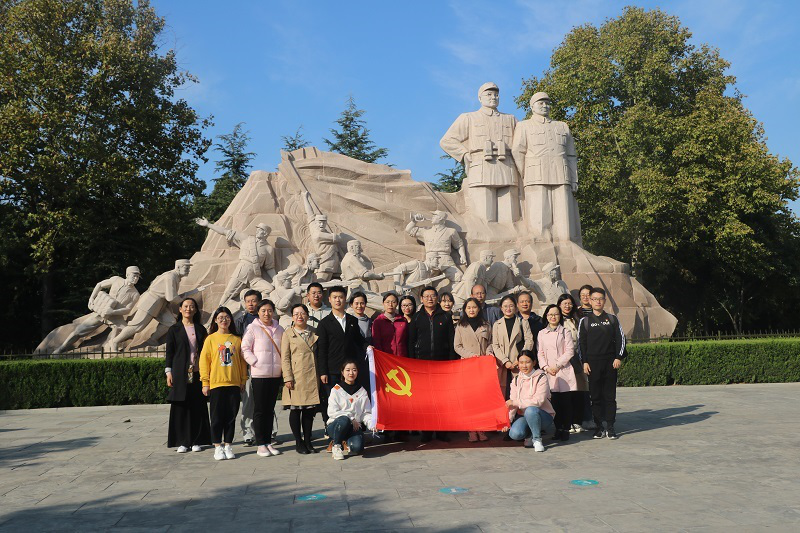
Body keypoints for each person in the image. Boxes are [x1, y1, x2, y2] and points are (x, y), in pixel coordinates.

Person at [440, 82, 520, 223]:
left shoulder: (510, 119)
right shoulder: (469, 118)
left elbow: (522, 144)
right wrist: (464, 154)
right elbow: (447, 140)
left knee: (509, 218)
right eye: (489, 94)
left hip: (507, 167)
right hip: (481, 167)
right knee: (484, 218)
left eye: (496, 95)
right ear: (479, 98)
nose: (493, 97)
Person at [511, 91, 581, 243]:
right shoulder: (524, 125)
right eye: (540, 103)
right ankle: (542, 245)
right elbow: (518, 150)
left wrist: (574, 179)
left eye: (547, 103)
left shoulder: (562, 126)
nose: (544, 106)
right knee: (540, 213)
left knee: (563, 214)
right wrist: (524, 174)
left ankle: (566, 244)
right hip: (536, 174)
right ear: (532, 106)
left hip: (561, 174)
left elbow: (571, 155)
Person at [316, 286, 364, 449]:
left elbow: (358, 341)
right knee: (333, 404)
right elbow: (321, 350)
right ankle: (334, 437)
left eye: (341, 297)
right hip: (332, 371)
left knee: (350, 403)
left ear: (345, 299)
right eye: (335, 297)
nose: (338, 300)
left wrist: (369, 347)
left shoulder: (352, 320)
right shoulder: (324, 323)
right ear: (329, 300)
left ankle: (349, 434)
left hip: (349, 371)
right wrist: (323, 371)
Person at [54, 266, 141, 354]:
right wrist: (91, 298)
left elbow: (128, 309)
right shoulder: (116, 279)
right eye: (134, 275)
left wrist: (113, 312)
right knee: (78, 331)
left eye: (137, 276)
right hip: (101, 312)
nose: (136, 278)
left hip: (115, 317)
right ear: (127, 275)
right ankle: (60, 349)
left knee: (126, 331)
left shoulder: (135, 294)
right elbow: (99, 285)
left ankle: (110, 348)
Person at [408, 286, 456, 442]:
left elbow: (451, 341)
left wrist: (451, 362)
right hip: (422, 365)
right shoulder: (416, 318)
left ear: (437, 298)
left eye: (433, 296)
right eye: (426, 296)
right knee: (426, 400)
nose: (430, 298)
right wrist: (412, 363)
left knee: (442, 399)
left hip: (442, 365)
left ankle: (442, 431)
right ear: (421, 299)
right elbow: (411, 342)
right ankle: (427, 431)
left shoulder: (445, 317)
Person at [199, 307, 247, 461]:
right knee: (217, 417)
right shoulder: (210, 339)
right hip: (216, 384)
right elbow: (204, 362)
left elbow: (242, 362)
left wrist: (243, 380)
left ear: (231, 320)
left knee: (231, 416)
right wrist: (205, 382)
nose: (224, 320)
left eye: (227, 317)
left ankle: (228, 445)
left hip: (233, 383)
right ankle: (217, 446)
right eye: (220, 317)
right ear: (215, 320)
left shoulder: (237, 339)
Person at [578, 288, 626, 440]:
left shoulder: (612, 319)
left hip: (610, 363)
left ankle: (610, 427)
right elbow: (581, 343)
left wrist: (618, 357)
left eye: (601, 299)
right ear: (590, 301)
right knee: (596, 397)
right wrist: (584, 362)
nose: (598, 301)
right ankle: (599, 427)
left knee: (610, 397)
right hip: (592, 364)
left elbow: (621, 339)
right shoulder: (585, 321)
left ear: (604, 301)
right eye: (595, 299)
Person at [195, 218, 277, 307]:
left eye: (260, 230)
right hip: (242, 271)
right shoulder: (246, 239)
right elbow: (225, 231)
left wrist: (275, 280)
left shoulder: (268, 249)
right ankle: (219, 310)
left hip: (255, 276)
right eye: (257, 229)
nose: (257, 231)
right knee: (228, 293)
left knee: (269, 288)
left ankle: (256, 308)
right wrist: (208, 225)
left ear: (265, 233)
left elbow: (269, 267)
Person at [165, 298, 211, 452]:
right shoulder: (174, 329)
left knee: (197, 406)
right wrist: (168, 372)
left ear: (196, 310)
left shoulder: (200, 329)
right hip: (180, 372)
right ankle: (183, 441)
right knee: (181, 407)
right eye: (185, 306)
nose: (188, 309)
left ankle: (197, 440)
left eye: (192, 306)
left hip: (197, 372)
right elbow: (169, 353)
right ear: (180, 309)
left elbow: (206, 351)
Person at [242, 299, 284, 457]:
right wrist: (255, 362)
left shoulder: (279, 329)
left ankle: (267, 442)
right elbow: (245, 348)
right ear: (258, 312)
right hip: (259, 374)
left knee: (270, 409)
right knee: (259, 409)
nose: (267, 314)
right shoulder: (252, 328)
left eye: (270, 310)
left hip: (275, 374)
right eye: (263, 311)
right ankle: (260, 444)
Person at [281, 303, 320, 455]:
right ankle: (299, 441)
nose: (299, 316)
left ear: (307, 315)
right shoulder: (288, 334)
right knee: (296, 410)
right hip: (296, 376)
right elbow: (285, 358)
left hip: (311, 375)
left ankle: (308, 440)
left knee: (309, 411)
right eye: (296, 314)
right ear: (292, 317)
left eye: (302, 313)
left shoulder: (314, 331)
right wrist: (287, 377)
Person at [454, 297, 494, 442]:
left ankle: (481, 428)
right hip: (467, 366)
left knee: (482, 399)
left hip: (482, 366)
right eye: (469, 307)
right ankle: (471, 429)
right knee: (469, 399)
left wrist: (488, 353)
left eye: (474, 307)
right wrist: (470, 356)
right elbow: (457, 346)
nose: (471, 310)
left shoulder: (486, 325)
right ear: (465, 310)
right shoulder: (460, 326)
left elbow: (491, 343)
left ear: (479, 309)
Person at [538, 304, 578, 442]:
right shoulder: (542, 333)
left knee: (566, 403)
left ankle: (566, 429)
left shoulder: (565, 332)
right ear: (546, 316)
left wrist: (557, 365)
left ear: (560, 316)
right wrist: (546, 367)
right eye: (550, 314)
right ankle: (558, 428)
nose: (553, 317)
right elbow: (540, 353)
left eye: (556, 314)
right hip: (549, 372)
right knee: (554, 403)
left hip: (563, 371)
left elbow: (570, 351)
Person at [505, 352, 555, 452]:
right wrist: (507, 421)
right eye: (521, 362)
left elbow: (538, 401)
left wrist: (515, 402)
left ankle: (537, 439)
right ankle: (530, 434)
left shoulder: (541, 377)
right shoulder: (516, 380)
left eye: (527, 362)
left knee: (531, 410)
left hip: (543, 415)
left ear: (534, 362)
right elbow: (512, 402)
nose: (524, 366)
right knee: (515, 434)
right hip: (524, 416)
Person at [327, 360, 373, 460]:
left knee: (357, 448)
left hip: (354, 428)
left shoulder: (362, 391)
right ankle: (336, 445)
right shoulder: (336, 390)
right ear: (342, 372)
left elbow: (366, 412)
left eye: (354, 370)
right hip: (336, 425)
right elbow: (332, 412)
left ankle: (345, 441)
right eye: (348, 370)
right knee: (344, 419)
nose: (351, 373)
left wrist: (371, 424)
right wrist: (351, 418)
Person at [405, 210, 467, 284]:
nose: (432, 217)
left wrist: (463, 256)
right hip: (430, 260)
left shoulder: (451, 231)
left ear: (441, 218)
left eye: (435, 215)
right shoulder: (426, 231)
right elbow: (408, 229)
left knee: (459, 277)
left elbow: (459, 245)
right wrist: (414, 221)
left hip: (446, 260)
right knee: (420, 280)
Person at [558, 293, 590, 433]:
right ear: (559, 305)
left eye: (570, 303)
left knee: (579, 390)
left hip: (577, 358)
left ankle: (578, 420)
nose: (567, 306)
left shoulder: (578, 319)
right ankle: (567, 421)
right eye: (564, 303)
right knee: (566, 392)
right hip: (562, 360)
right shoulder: (556, 319)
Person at [491, 295, 534, 399]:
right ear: (501, 308)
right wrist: (505, 361)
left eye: (511, 306)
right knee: (503, 392)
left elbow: (529, 341)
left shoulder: (522, 322)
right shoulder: (497, 324)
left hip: (518, 363)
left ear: (515, 307)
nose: (508, 309)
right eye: (505, 306)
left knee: (520, 391)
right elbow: (495, 345)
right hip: (503, 363)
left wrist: (519, 359)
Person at [234, 289, 261, 446]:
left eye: (253, 301)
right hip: (247, 367)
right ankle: (248, 433)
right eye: (248, 301)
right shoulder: (240, 321)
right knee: (248, 400)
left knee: (265, 401)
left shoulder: (266, 319)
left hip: (264, 366)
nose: (251, 304)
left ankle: (269, 431)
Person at [371, 292, 408, 358]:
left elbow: (407, 340)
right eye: (387, 302)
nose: (390, 305)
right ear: (383, 303)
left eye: (393, 302)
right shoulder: (378, 321)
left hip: (402, 357)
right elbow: (377, 342)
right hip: (386, 358)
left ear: (397, 304)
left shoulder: (403, 320)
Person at [349, 291, 373, 390]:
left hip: (368, 359)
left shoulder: (371, 321)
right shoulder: (348, 322)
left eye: (362, 303)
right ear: (351, 305)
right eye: (356, 303)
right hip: (354, 358)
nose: (359, 306)